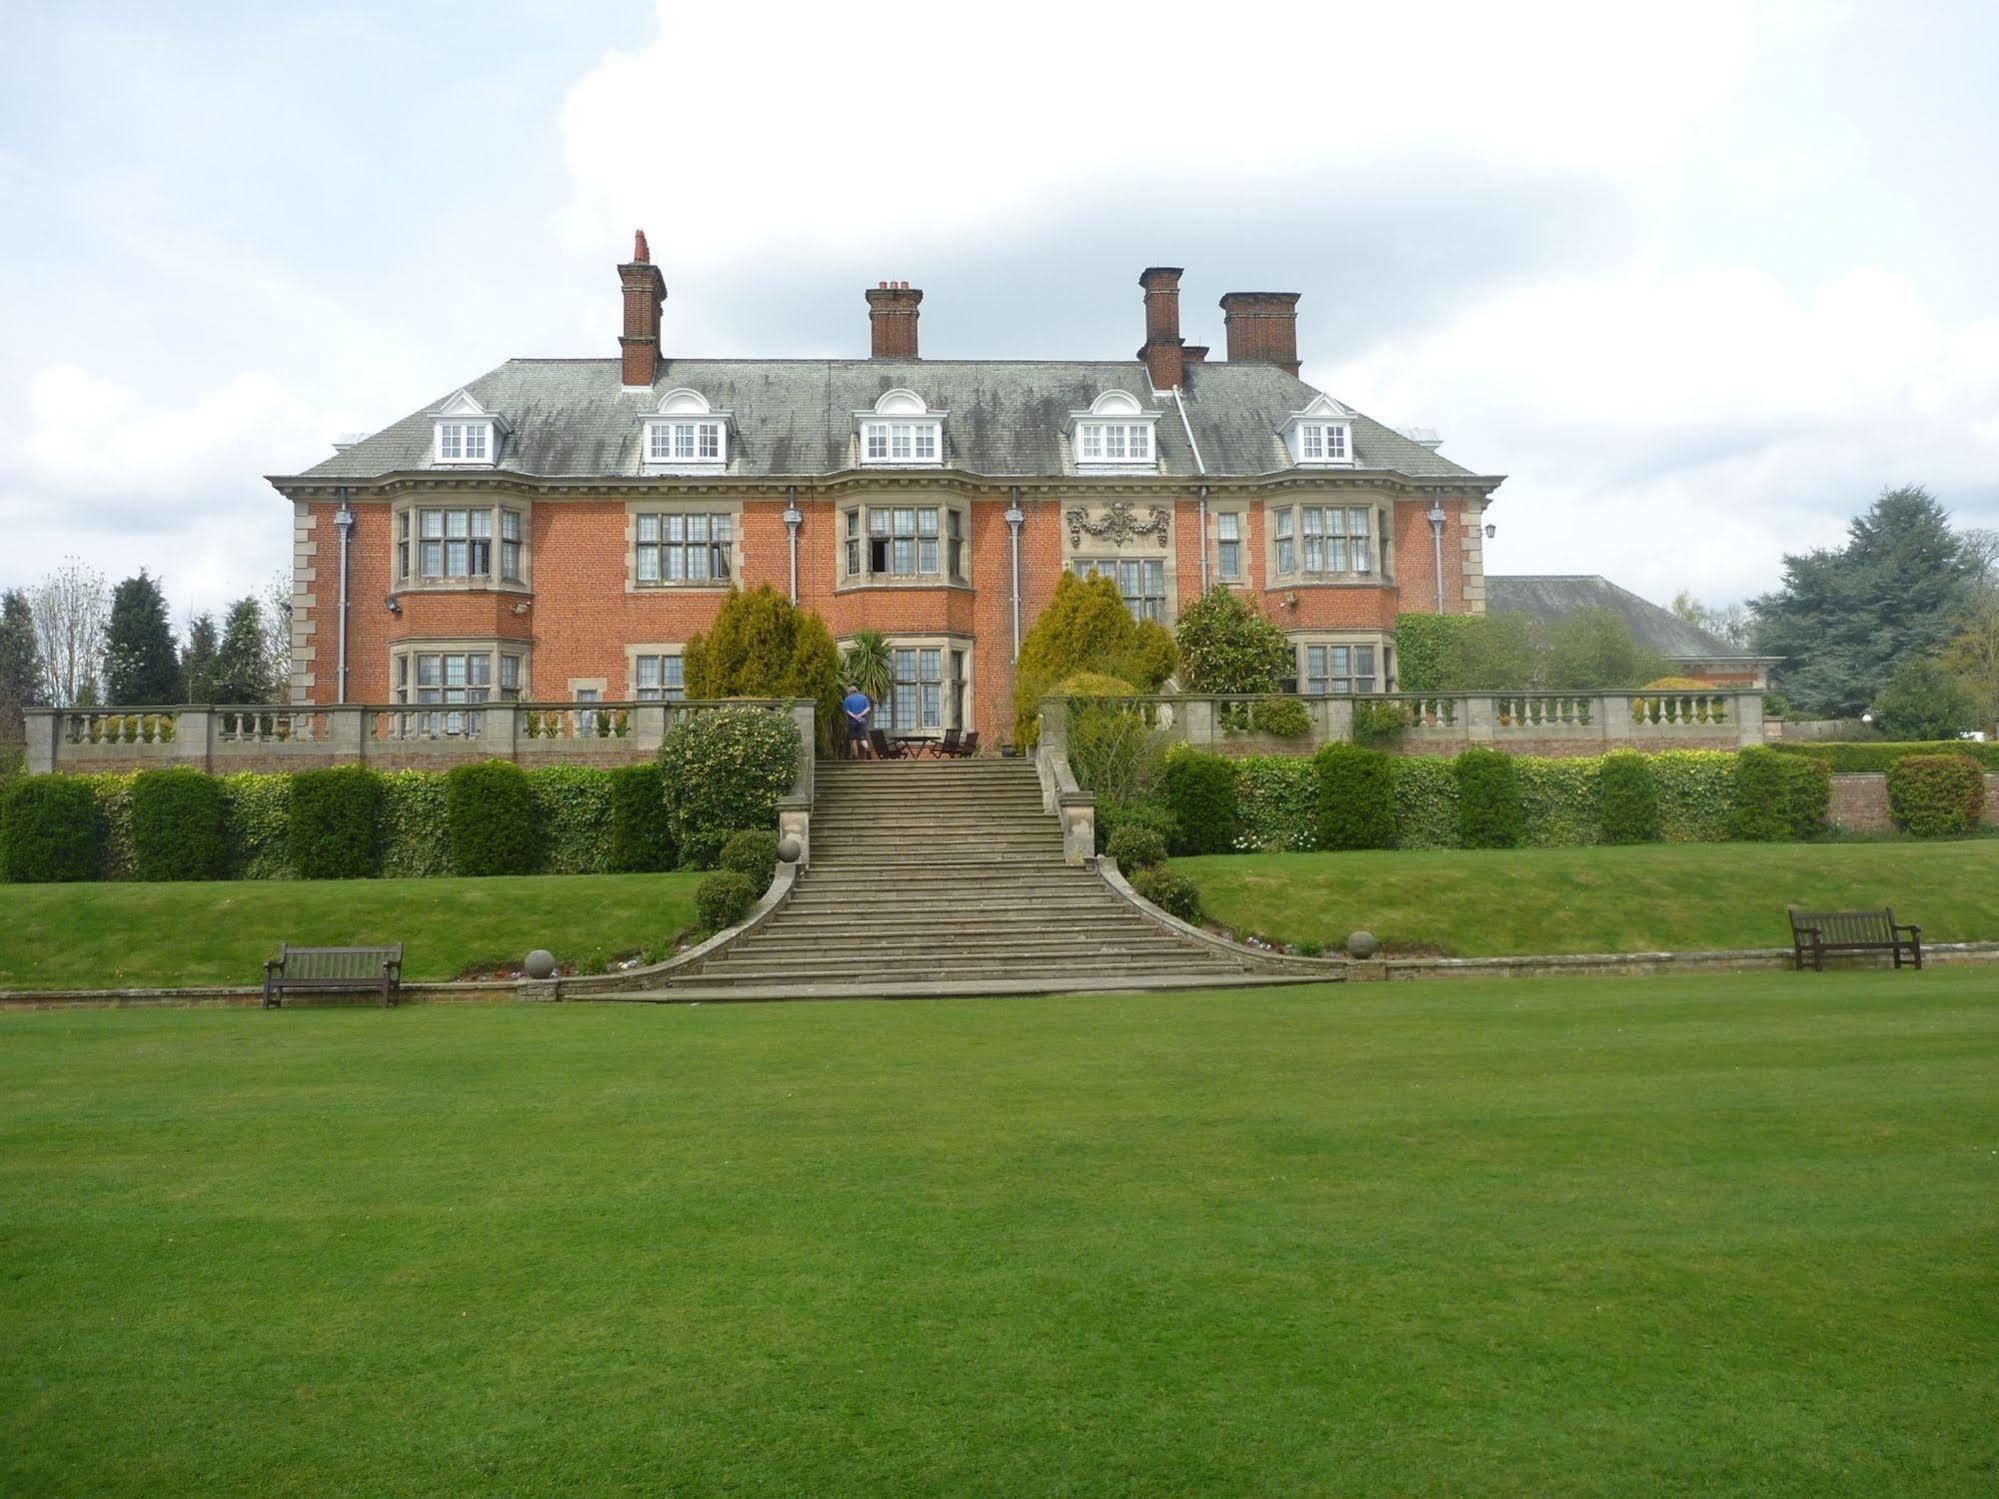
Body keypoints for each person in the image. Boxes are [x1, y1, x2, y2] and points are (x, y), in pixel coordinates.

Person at [841, 686, 873, 758]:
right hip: (862, 721)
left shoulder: (847, 699)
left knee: (853, 739)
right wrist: (860, 715)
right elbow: (868, 708)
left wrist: (855, 716)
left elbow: (847, 711)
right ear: (857, 691)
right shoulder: (864, 698)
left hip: (852, 722)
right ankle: (867, 749)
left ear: (850, 692)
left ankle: (855, 755)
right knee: (863, 738)